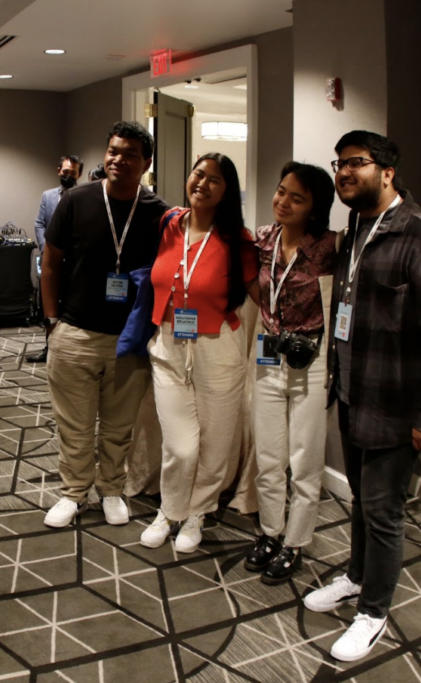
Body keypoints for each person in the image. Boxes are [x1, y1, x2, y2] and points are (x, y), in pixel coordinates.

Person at [302, 131, 421, 662]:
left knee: (384, 512)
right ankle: (356, 577)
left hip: (399, 409)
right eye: (339, 164)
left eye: (356, 163)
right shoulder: (357, 227)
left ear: (388, 172)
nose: (344, 173)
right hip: (355, 393)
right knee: (361, 502)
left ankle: (373, 613)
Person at [41, 121, 168, 528]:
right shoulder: (76, 201)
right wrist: (52, 322)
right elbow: (50, 264)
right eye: (114, 151)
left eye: (130, 154)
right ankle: (73, 492)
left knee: (118, 427)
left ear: (146, 162)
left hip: (128, 341)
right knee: (74, 425)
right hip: (75, 332)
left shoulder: (159, 213)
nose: (119, 159)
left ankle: (111, 489)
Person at [137, 153, 258, 553]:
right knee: (181, 444)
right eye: (198, 174)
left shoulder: (237, 239)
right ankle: (169, 509)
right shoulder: (169, 223)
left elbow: (259, 293)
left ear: (227, 192)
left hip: (217, 348)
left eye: (215, 180)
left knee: (216, 441)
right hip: (169, 345)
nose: (202, 184)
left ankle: (197, 512)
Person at [242, 162, 337, 582]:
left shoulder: (331, 247)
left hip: (311, 363)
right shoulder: (263, 239)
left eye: (296, 197)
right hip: (268, 355)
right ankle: (269, 532)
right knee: (268, 456)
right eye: (281, 191)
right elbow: (251, 280)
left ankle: (295, 543)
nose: (283, 201)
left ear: (314, 208)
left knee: (304, 459)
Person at [28, 154, 84, 363]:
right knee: (48, 304)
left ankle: (68, 350)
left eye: (73, 173)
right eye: (66, 172)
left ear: (79, 174)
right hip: (50, 261)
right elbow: (39, 224)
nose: (69, 176)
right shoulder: (48, 196)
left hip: (74, 262)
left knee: (69, 304)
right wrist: (47, 250)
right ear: (58, 170)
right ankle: (48, 346)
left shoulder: (83, 196)